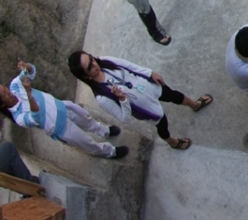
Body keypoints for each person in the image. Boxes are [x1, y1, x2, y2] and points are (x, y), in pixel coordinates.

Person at [68, 51, 213, 151]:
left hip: (149, 87)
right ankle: (172, 142)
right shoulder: (102, 98)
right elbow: (124, 118)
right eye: (90, 67)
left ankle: (194, 104)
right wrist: (123, 99)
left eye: (91, 58)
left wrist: (149, 73)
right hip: (146, 108)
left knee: (173, 95)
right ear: (85, 76)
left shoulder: (105, 61)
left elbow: (130, 66)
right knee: (162, 124)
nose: (95, 64)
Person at [0, 60, 127, 160]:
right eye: (6, 95)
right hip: (61, 129)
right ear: (2, 104)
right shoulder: (19, 118)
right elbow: (36, 117)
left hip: (62, 106)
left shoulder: (15, 85)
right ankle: (110, 152)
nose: (9, 92)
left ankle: (105, 131)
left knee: (88, 121)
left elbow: (30, 72)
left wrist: (26, 66)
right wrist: (29, 95)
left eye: (5, 89)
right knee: (87, 142)